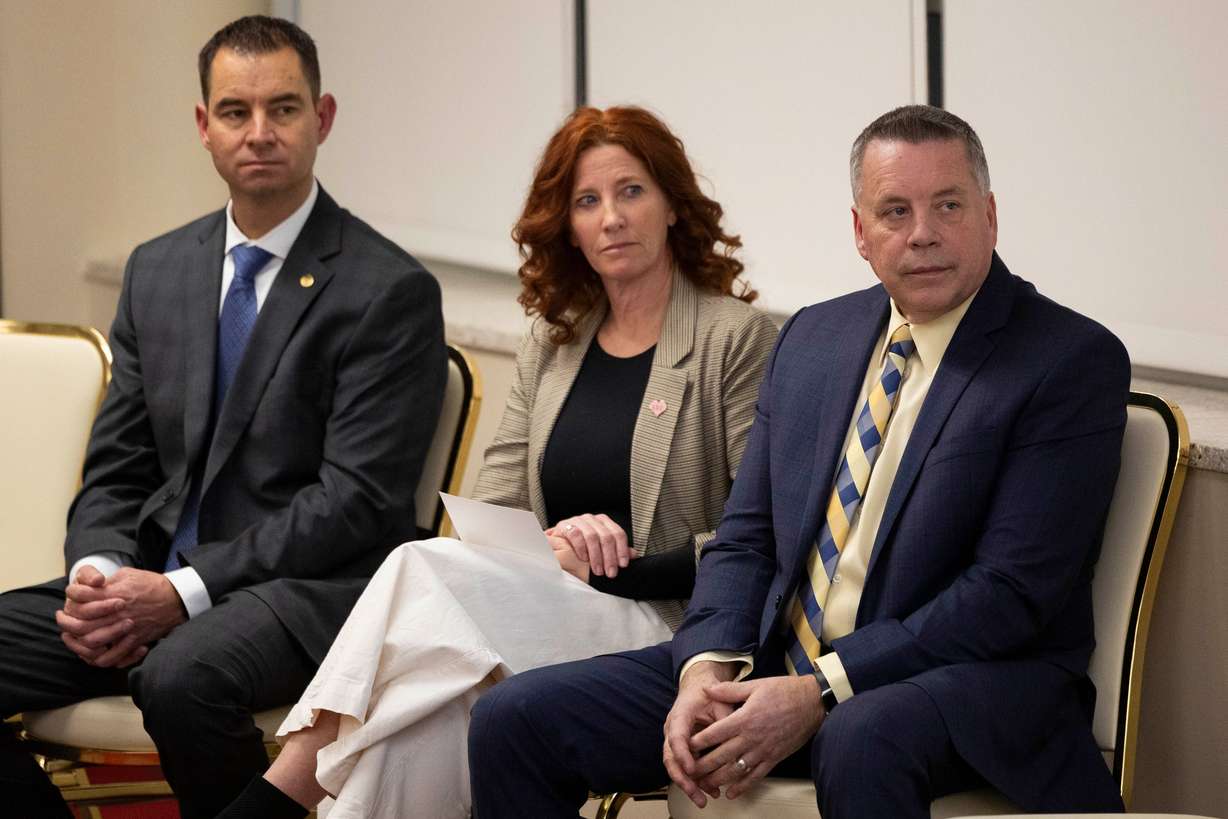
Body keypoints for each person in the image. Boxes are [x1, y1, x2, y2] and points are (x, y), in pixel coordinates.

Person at [468, 105, 1131, 818]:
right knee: (516, 718)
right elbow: (746, 537)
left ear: (990, 216)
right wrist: (706, 667)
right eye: (895, 211)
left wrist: (822, 687)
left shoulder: (1066, 360)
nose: (922, 233)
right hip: (779, 664)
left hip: (962, 683)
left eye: (948, 205)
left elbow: (1008, 594)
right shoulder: (814, 337)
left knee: (860, 733)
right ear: (860, 233)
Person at [216, 105, 779, 819]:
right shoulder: (556, 339)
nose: (611, 217)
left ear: (672, 204)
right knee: (419, 716)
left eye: (631, 191)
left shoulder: (736, 338)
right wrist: (557, 546)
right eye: (587, 201)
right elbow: (491, 508)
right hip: (539, 610)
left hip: (666, 626)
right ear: (567, 226)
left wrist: (616, 567)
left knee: (419, 567)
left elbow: (756, 536)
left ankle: (273, 797)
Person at [0, 15, 447, 819]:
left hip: (301, 591)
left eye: (284, 108)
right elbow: (118, 466)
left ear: (323, 118)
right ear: (204, 126)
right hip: (149, 581)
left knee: (182, 677)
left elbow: (355, 501)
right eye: (236, 111)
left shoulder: (388, 290)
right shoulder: (160, 269)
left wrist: (183, 592)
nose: (260, 132)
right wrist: (99, 575)